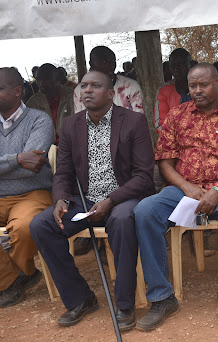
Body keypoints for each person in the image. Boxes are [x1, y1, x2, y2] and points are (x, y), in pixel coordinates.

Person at [134, 63, 218, 329]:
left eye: (204, 84)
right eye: (192, 86)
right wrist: (187, 187)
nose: (197, 90)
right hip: (183, 189)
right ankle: (162, 297)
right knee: (145, 211)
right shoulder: (177, 115)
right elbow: (165, 162)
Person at [30, 70, 155, 330]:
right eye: (84, 86)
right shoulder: (70, 125)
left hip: (123, 197)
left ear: (111, 94)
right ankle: (80, 298)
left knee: (122, 221)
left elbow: (143, 177)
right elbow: (63, 172)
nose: (87, 90)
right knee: (41, 225)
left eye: (95, 86)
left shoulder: (133, 122)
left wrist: (110, 200)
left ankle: (124, 304)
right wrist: (61, 199)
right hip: (84, 200)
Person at [0, 67, 54, 307]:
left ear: (17, 91)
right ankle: (19, 277)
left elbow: (33, 166)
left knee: (23, 227)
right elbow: (23, 163)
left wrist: (17, 164)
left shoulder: (39, 119)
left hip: (33, 194)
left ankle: (15, 278)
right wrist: (17, 159)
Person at [73, 46, 144, 113]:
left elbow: (138, 121)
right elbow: (79, 123)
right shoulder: (80, 91)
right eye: (105, 62)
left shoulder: (131, 87)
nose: (111, 65)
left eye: (113, 62)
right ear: (91, 64)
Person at [26, 63, 74, 143]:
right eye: (38, 79)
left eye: (46, 79)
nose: (41, 83)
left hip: (71, 144)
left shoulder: (72, 96)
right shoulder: (33, 103)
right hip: (45, 148)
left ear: (57, 78)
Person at [154, 48, 193, 135]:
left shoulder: (202, 87)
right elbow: (160, 124)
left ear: (191, 64)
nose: (176, 69)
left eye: (181, 64)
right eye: (173, 66)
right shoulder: (164, 91)